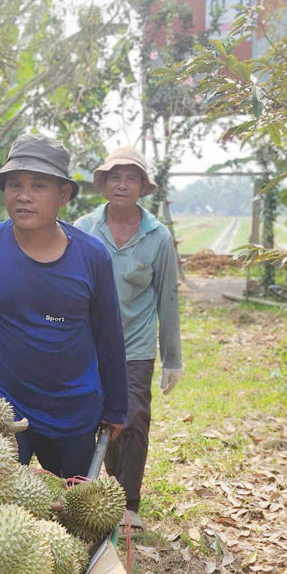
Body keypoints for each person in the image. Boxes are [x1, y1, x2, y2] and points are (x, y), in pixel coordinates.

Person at [0, 134, 127, 479]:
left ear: (64, 194)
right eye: (14, 185)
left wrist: (115, 405)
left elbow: (109, 335)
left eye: (38, 186)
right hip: (2, 407)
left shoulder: (91, 256)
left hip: (72, 409)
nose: (23, 196)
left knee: (72, 513)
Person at [73, 146, 183, 529]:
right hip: (87, 345)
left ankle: (128, 502)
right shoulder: (83, 229)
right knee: (96, 418)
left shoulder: (157, 236)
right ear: (104, 183)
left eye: (131, 178)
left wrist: (172, 359)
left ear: (142, 187)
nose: (122, 185)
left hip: (134, 347)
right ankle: (99, 492)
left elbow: (168, 298)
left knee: (133, 417)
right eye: (115, 177)